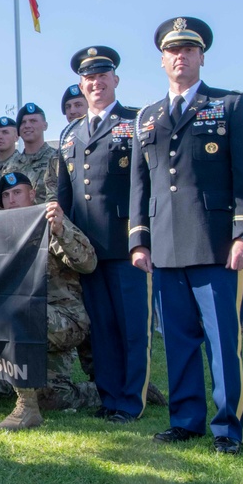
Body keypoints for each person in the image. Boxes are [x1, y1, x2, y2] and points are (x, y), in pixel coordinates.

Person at [130, 17, 243, 455]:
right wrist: (139, 240)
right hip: (165, 248)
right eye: (173, 51)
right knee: (179, 340)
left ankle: (227, 427)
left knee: (223, 341)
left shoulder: (230, 105)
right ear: (162, 60)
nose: (180, 56)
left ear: (201, 56)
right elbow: (141, 186)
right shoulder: (147, 117)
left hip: (216, 245)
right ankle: (186, 420)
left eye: (189, 49)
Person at [59, 46, 152, 424]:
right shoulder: (70, 133)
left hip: (125, 242)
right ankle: (109, 396)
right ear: (81, 85)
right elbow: (65, 194)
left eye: (102, 76)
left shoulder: (136, 122)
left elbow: (147, 184)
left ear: (115, 80)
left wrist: (142, 238)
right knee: (102, 329)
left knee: (131, 327)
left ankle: (131, 400)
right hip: (87, 249)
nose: (95, 83)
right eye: (88, 78)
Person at [0, 172, 100, 430]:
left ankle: (28, 409)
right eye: (6, 196)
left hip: (65, 320)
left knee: (15, 309)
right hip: (25, 326)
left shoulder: (50, 223)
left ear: (32, 194)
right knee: (50, 396)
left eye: (17, 192)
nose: (11, 200)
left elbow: (88, 263)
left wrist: (61, 231)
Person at [15, 103, 58, 204]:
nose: (27, 125)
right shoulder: (11, 165)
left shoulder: (57, 159)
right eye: (23, 122)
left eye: (33, 121)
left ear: (45, 126)